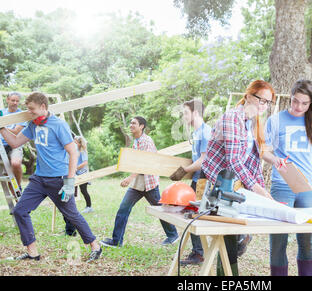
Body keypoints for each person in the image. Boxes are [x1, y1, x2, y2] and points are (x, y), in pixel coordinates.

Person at [0, 92, 102, 262]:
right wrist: (2, 127)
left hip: (58, 179)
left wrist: (70, 182)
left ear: (43, 107)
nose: (29, 113)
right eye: (28, 110)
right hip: (39, 179)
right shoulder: (33, 125)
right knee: (19, 210)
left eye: (32, 110)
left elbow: (73, 152)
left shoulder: (59, 125)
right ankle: (33, 253)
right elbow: (15, 142)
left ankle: (95, 246)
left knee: (72, 215)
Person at [201, 80, 278, 276]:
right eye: (261, 100)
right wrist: (257, 190)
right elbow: (233, 162)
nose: (263, 105)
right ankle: (227, 275)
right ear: (249, 96)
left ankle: (228, 271)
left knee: (232, 238)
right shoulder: (232, 118)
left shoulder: (252, 123)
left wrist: (263, 191)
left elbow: (252, 162)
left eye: (268, 102)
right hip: (217, 182)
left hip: (234, 183)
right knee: (228, 238)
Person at [263, 79, 312, 276]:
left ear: (311, 103)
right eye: (295, 101)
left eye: (304, 104)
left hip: (308, 188)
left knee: (307, 240)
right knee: (279, 240)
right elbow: (264, 151)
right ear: (290, 97)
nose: (299, 107)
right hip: (282, 185)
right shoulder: (276, 120)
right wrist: (276, 161)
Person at [100, 116, 179, 248]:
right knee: (123, 209)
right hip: (138, 184)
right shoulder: (136, 141)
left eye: (134, 123)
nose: (131, 125)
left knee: (160, 210)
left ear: (141, 126)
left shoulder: (146, 141)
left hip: (149, 183)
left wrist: (130, 178)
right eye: (130, 123)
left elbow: (144, 164)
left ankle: (172, 235)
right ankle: (116, 240)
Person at [170, 99, 212, 265]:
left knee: (198, 214)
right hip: (196, 178)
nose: (183, 116)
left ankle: (240, 238)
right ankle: (198, 253)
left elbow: (203, 161)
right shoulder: (195, 133)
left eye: (186, 112)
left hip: (205, 179)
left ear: (195, 113)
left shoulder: (206, 132)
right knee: (193, 213)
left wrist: (184, 171)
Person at [63, 135, 92, 236]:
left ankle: (89, 206)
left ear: (79, 143)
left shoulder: (82, 151)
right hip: (71, 174)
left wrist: (75, 168)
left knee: (83, 191)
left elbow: (84, 163)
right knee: (70, 195)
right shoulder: (71, 150)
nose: (74, 142)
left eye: (75, 141)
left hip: (81, 173)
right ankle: (69, 226)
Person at [0, 92, 27, 189]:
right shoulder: (2, 112)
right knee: (8, 174)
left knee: (15, 164)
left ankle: (18, 187)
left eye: (17, 101)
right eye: (13, 100)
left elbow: (16, 132)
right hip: (2, 146)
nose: (15, 103)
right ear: (7, 100)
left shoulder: (21, 115)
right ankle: (16, 196)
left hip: (15, 144)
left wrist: (1, 127)